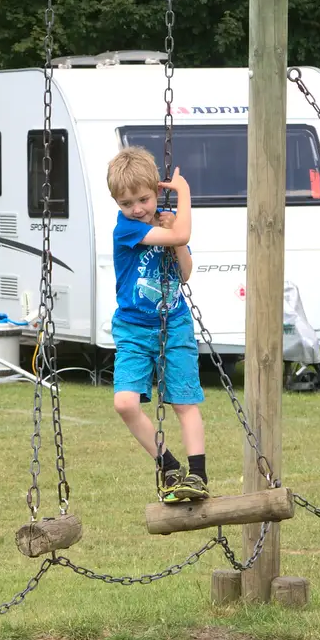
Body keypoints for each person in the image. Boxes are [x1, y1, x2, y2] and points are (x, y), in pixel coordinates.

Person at [106, 146, 207, 504]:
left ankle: (197, 474)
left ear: (155, 192)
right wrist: (185, 195)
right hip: (134, 329)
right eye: (126, 203)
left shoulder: (166, 221)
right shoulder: (126, 229)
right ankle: (168, 464)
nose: (136, 209)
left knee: (183, 402)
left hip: (174, 325)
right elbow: (180, 236)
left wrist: (172, 223)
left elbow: (186, 271)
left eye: (143, 199)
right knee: (125, 403)